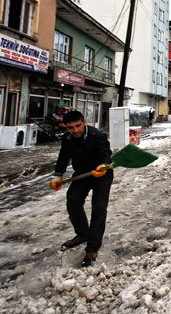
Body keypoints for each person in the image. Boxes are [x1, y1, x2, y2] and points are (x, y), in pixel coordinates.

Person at [49, 110, 113, 267]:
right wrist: (58, 175)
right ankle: (83, 233)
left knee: (98, 208)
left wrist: (104, 165)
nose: (75, 130)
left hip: (102, 173)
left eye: (78, 126)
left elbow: (106, 153)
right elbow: (63, 157)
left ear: (84, 123)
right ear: (66, 127)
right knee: (73, 200)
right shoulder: (67, 138)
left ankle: (92, 248)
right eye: (71, 127)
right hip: (82, 173)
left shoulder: (98, 135)